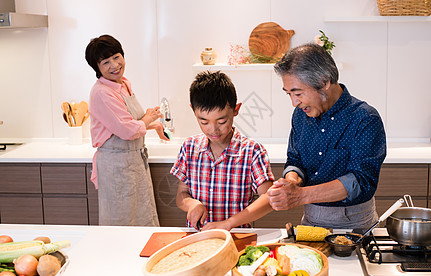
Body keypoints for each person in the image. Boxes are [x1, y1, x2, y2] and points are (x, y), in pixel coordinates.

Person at [266, 43, 387, 230]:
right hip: (311, 219)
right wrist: (291, 181)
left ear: (324, 82)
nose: (293, 102)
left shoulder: (365, 118)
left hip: (356, 223)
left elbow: (360, 181)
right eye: (289, 94)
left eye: (298, 93)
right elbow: (295, 159)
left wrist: (300, 195)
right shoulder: (301, 115)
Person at [170, 71, 275, 230]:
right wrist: (191, 204)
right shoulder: (189, 147)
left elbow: (269, 199)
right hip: (200, 237)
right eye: (204, 121)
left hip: (236, 237)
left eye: (221, 121)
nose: (213, 129)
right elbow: (182, 194)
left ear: (236, 110)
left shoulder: (252, 151)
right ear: (193, 111)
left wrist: (228, 224)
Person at [85, 34, 168, 226]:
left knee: (142, 216)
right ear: (97, 68)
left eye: (116, 57)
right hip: (117, 165)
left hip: (132, 161)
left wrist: (153, 124)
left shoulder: (122, 84)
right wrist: (148, 119)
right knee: (121, 221)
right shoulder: (102, 92)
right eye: (105, 62)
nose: (114, 65)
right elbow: (127, 129)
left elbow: (130, 120)